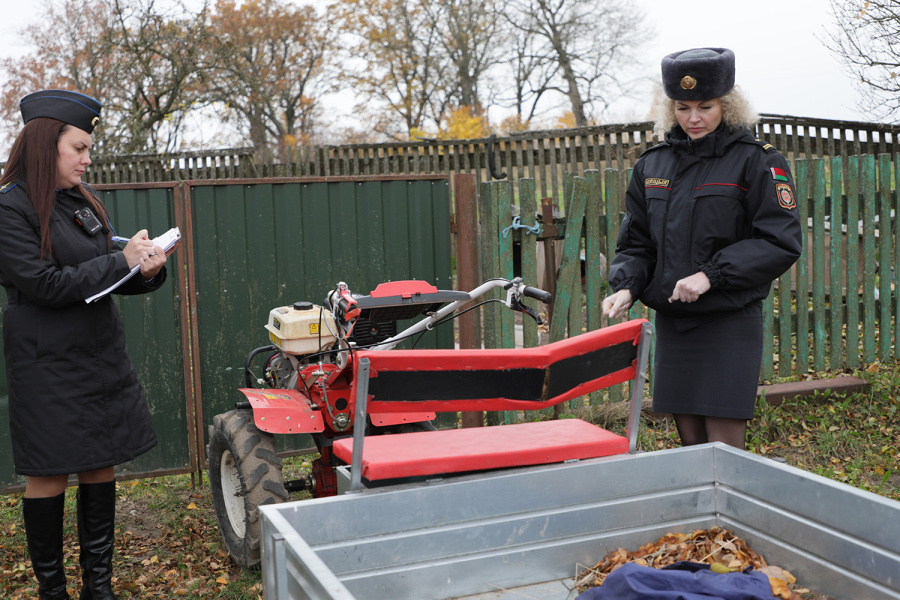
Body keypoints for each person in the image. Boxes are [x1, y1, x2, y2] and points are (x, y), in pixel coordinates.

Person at [0, 90, 175, 599]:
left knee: (101, 461)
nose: (87, 157)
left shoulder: (82, 202)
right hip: (45, 361)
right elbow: (45, 284)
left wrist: (145, 268)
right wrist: (120, 263)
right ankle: (53, 591)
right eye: (78, 147)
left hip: (98, 355)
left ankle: (98, 588)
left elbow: (106, 276)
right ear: (44, 145)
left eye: (87, 148)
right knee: (50, 472)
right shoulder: (9, 208)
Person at [602, 48, 802, 450]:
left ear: (727, 105)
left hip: (729, 321)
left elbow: (780, 241)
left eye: (705, 106)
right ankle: (704, 515)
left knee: (725, 452)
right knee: (692, 448)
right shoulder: (651, 166)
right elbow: (638, 242)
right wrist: (627, 285)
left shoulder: (757, 162)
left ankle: (732, 513)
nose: (693, 118)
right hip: (676, 324)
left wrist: (710, 275)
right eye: (683, 107)